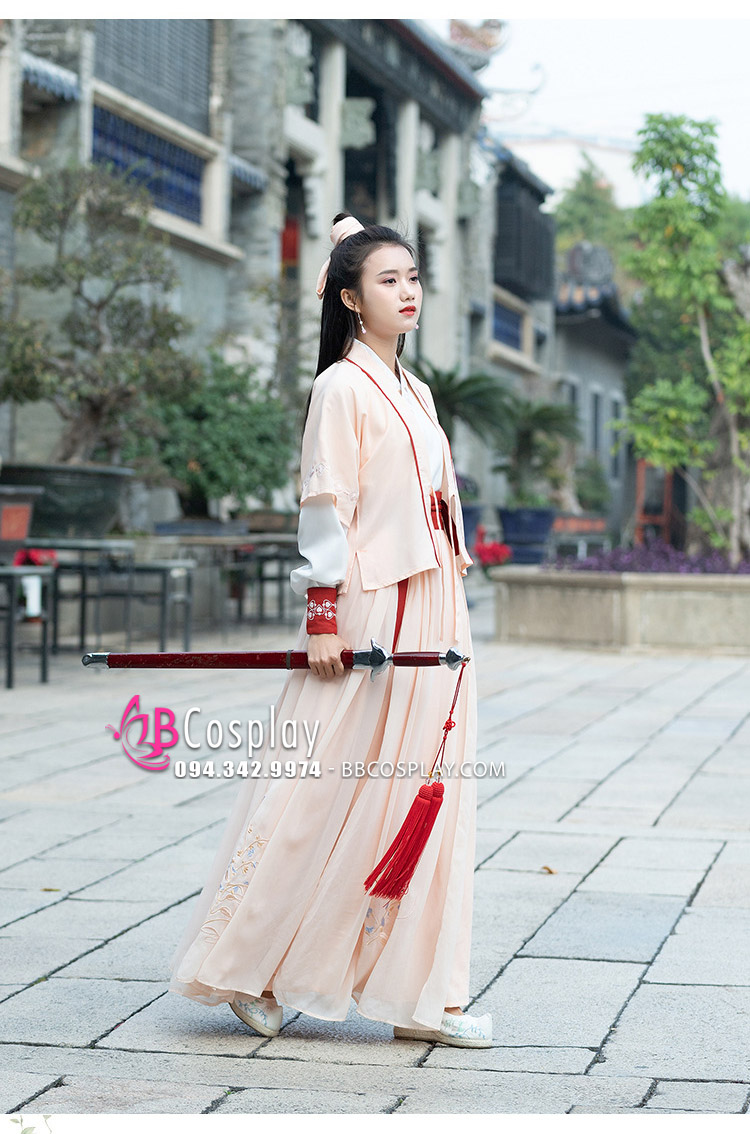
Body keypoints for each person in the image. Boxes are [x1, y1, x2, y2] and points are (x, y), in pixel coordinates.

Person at [169, 212, 492, 1049]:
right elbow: (327, 506)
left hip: (435, 603)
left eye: (412, 278)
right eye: (388, 280)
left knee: (423, 791)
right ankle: (246, 966)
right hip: (370, 605)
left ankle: (420, 992)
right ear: (350, 298)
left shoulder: (416, 391)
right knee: (322, 786)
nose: (407, 292)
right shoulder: (341, 387)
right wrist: (321, 617)